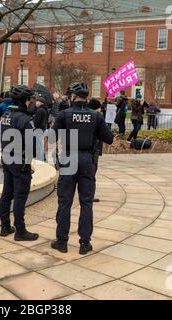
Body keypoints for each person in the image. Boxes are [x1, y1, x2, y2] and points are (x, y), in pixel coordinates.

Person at [51, 82, 114, 255]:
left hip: (69, 157)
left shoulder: (64, 114)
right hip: (87, 160)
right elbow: (109, 138)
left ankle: (62, 242)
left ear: (72, 97)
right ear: (86, 98)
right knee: (86, 202)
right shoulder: (96, 116)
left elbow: (51, 138)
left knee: (65, 202)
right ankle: (84, 243)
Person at [0, 85, 39, 242]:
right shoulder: (25, 119)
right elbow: (32, 145)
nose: (31, 103)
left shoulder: (5, 114)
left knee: (6, 194)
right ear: (25, 101)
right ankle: (20, 230)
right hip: (20, 161)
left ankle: (5, 226)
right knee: (20, 197)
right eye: (30, 100)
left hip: (6, 158)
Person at [33, 92, 50, 161]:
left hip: (39, 129)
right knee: (40, 144)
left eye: (37, 101)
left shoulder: (40, 110)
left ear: (41, 102)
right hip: (43, 128)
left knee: (39, 145)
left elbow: (36, 122)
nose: (36, 102)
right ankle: (41, 158)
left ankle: (39, 159)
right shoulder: (45, 109)